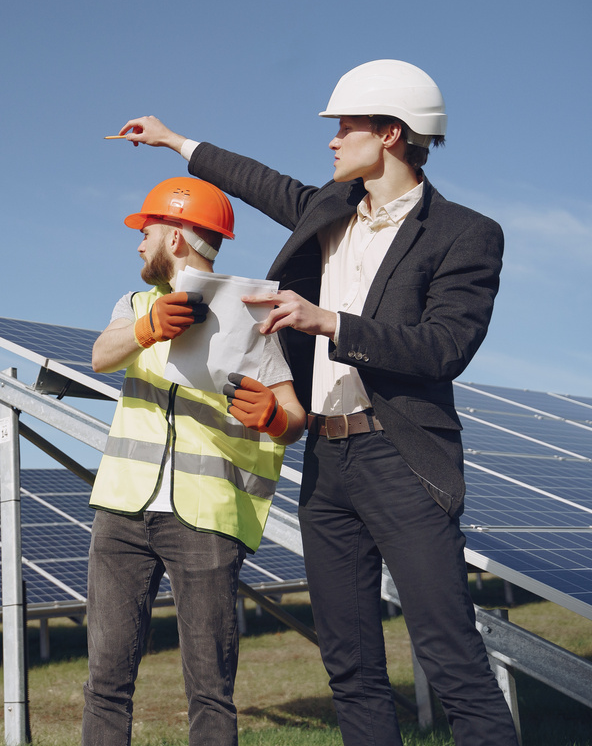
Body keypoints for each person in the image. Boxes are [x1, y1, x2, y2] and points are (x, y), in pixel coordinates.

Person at [114, 59, 519, 745]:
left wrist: (327, 321)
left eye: (345, 128)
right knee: (351, 668)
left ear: (391, 133)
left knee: (452, 659)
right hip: (327, 468)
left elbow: (444, 347)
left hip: (403, 460)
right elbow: (256, 180)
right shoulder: (327, 211)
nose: (332, 141)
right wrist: (175, 140)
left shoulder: (465, 233)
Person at [83, 176, 306, 746]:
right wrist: (147, 328)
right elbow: (101, 356)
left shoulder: (252, 316)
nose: (138, 243)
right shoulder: (134, 305)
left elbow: (293, 414)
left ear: (177, 238)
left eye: (147, 231)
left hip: (207, 519)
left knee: (210, 689)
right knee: (106, 679)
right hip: (122, 515)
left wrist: (276, 419)